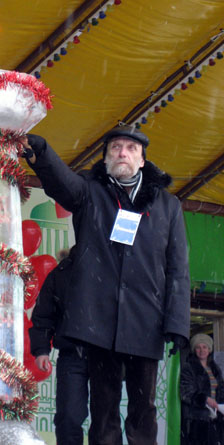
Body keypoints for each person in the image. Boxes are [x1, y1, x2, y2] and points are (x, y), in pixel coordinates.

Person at [22, 125, 190, 445]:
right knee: (104, 412)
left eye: (130, 148)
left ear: (142, 160)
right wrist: (41, 152)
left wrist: (177, 323)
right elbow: (62, 182)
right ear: (106, 156)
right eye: (115, 148)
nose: (122, 153)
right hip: (99, 327)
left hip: (145, 324)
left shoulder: (168, 206)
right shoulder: (91, 191)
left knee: (143, 412)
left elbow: (178, 268)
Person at [29, 247, 91, 445]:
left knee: (106, 420)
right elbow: (44, 315)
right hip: (71, 352)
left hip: (105, 354)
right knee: (68, 417)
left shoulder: (111, 267)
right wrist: (41, 350)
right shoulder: (61, 273)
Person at [180, 333, 224, 445]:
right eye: (198, 347)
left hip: (215, 419)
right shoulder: (188, 368)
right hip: (197, 419)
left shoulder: (215, 368)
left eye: (204, 347)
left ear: (209, 349)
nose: (201, 350)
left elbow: (221, 389)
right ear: (194, 350)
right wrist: (205, 399)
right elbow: (186, 392)